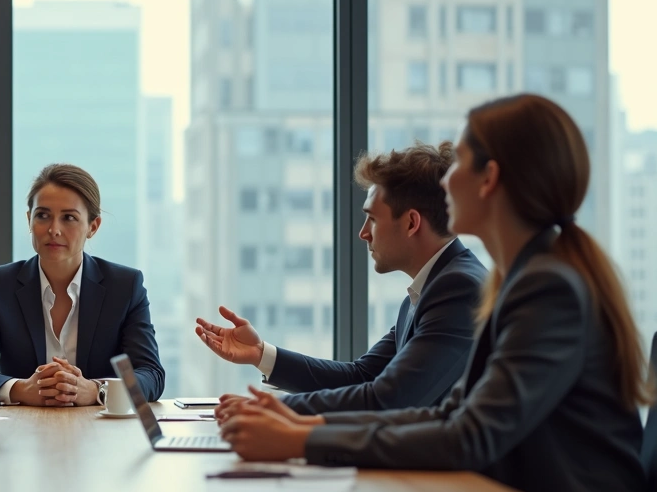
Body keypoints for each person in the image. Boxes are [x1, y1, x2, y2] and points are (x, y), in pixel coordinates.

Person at [217, 94, 650, 492]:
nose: (445, 183)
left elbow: (470, 435)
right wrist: (302, 428)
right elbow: (449, 414)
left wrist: (301, 438)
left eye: (458, 162)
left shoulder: (544, 287)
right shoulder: (518, 279)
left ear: (489, 179)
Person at [196, 142, 486, 414]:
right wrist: (261, 354)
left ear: (411, 223)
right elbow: (361, 377)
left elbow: (389, 399)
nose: (363, 233)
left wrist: (274, 409)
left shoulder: (458, 290)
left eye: (372, 218)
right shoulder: (430, 290)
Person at [0, 164, 165, 405]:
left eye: (69, 218)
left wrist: (97, 390)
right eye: (42, 216)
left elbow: (151, 374)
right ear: (29, 220)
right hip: (20, 430)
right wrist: (21, 389)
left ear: (92, 227)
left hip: (101, 433)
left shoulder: (125, 286)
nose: (54, 230)